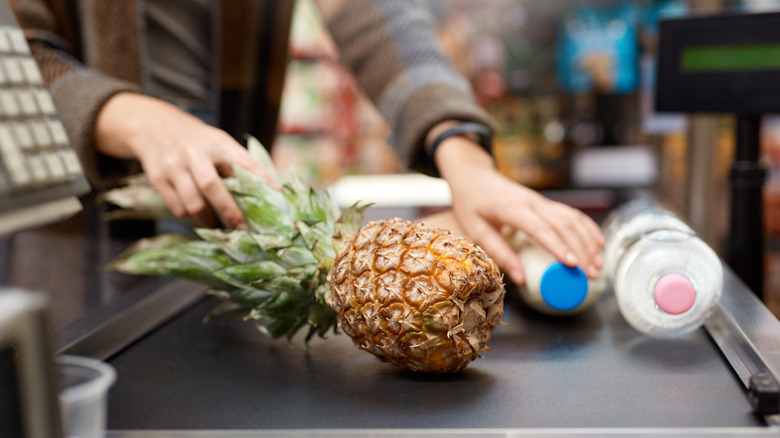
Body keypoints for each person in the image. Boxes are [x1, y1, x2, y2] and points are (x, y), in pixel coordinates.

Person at [11, 0, 603, 286]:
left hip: (236, 234)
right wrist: (138, 120)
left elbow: (379, 16)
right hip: (73, 244)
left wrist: (460, 148)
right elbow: (14, 49)